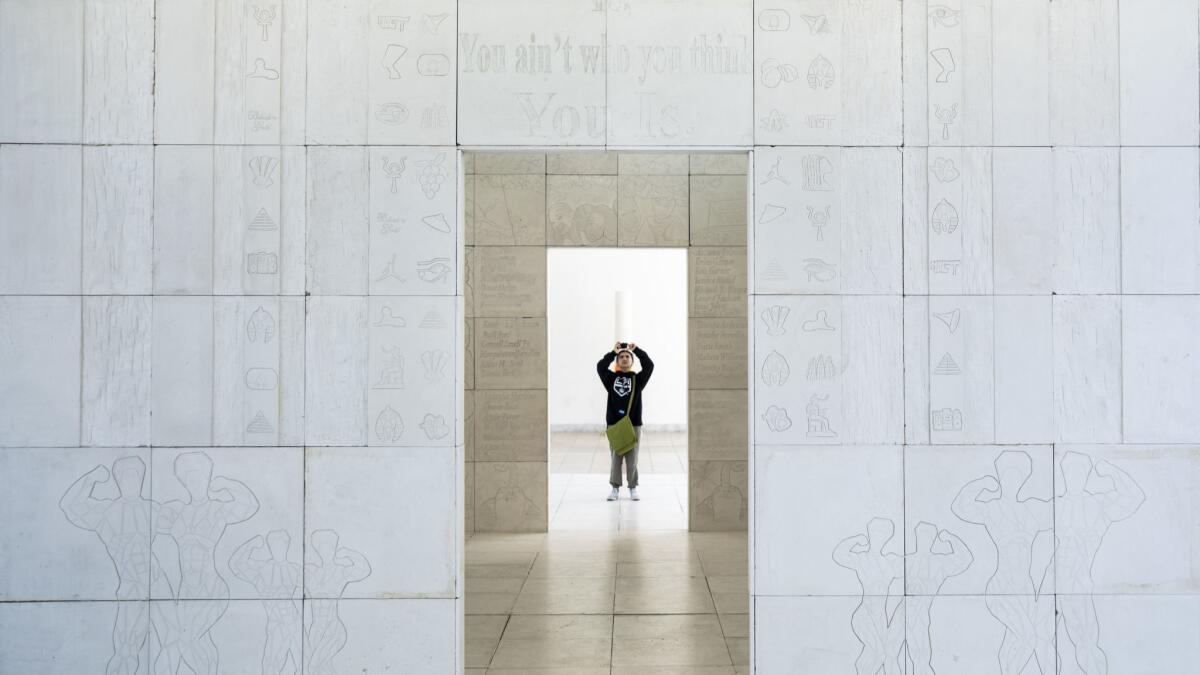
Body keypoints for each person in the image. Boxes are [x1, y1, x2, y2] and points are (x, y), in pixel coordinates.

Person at [596, 341, 654, 501]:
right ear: (617, 361)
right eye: (621, 356)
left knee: (632, 457)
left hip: (633, 423)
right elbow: (600, 366)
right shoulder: (611, 378)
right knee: (616, 457)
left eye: (627, 356)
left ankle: (632, 487)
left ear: (632, 361)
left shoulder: (638, 379)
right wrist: (613, 352)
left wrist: (636, 350)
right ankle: (614, 488)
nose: (624, 358)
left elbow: (649, 365)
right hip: (615, 424)